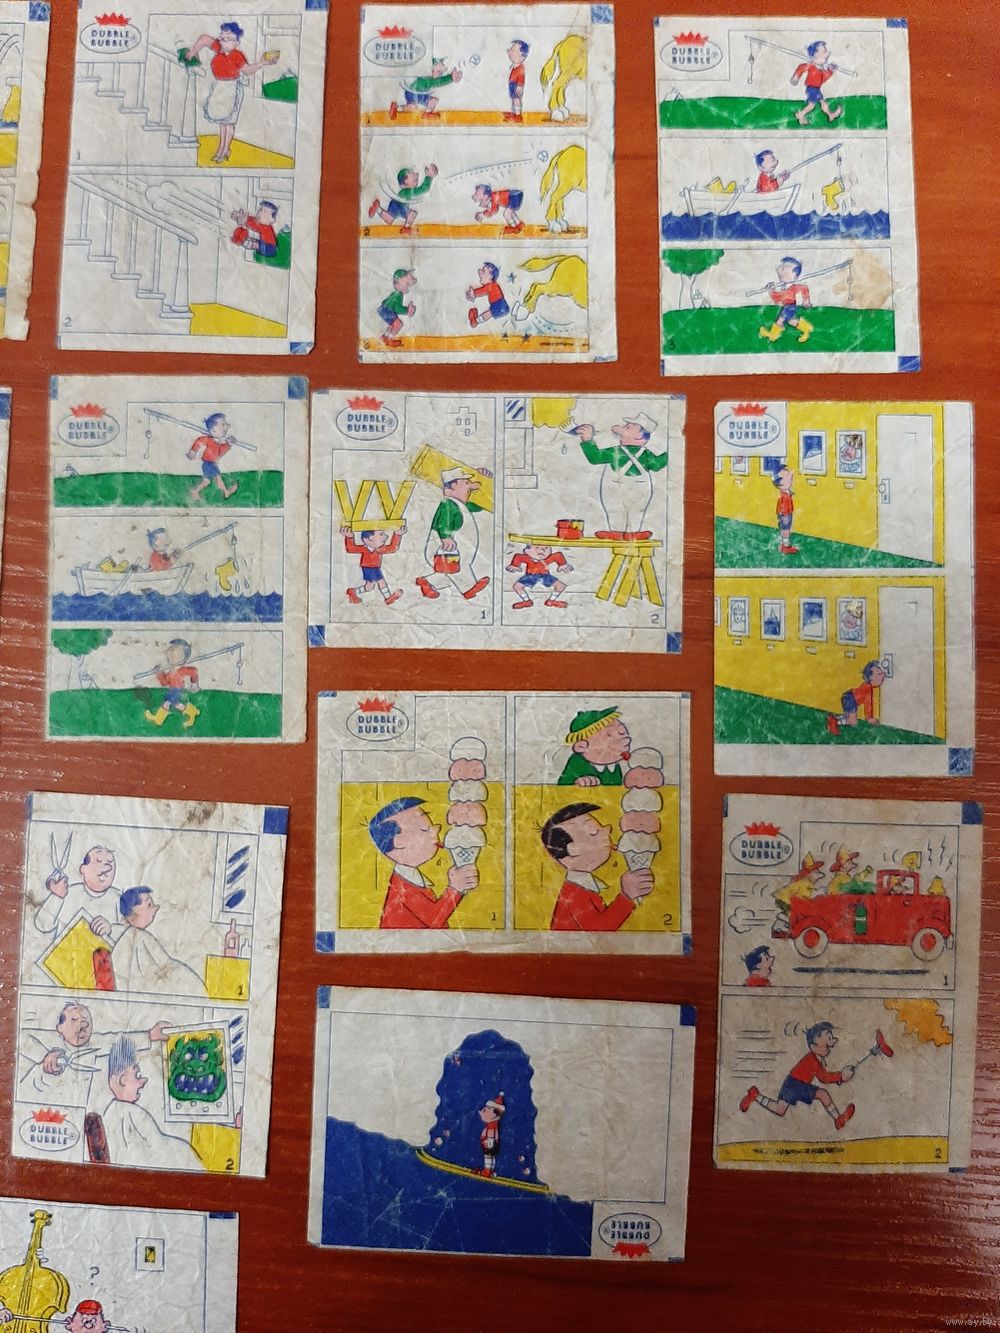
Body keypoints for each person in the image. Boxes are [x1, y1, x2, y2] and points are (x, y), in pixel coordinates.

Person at [19, 1000, 169, 1107]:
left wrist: (149, 1035)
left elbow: (119, 1040)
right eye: (74, 1020)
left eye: (86, 1020)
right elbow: (22, 1039)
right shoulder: (51, 1042)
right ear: (60, 1027)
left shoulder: (95, 1044)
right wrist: (47, 1057)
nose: (83, 1025)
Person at [541, 802, 652, 931]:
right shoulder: (575, 896)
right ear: (573, 849)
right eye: (593, 832)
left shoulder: (581, 889)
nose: (607, 829)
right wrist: (626, 896)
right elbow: (599, 931)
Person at [369, 797, 478, 928]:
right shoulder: (403, 886)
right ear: (399, 842)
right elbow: (433, 919)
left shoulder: (411, 880)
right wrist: (455, 888)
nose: (436, 829)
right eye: (425, 829)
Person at [99, 1035, 201, 1169]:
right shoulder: (132, 1112)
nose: (144, 1081)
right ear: (122, 1080)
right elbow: (159, 1145)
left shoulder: (112, 1112)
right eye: (137, 1076)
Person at [182, 22, 279, 163]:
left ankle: (225, 149)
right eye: (222, 37)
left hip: (232, 89)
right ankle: (221, 149)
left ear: (236, 42)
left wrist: (261, 63)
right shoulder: (218, 48)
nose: (223, 41)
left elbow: (247, 71)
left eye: (228, 39)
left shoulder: (237, 56)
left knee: (229, 122)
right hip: (220, 88)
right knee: (223, 122)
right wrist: (193, 52)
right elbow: (204, 39)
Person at [740, 1021, 855, 1130]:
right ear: (813, 1046)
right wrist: (841, 1076)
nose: (833, 1041)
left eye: (831, 1038)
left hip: (800, 1084)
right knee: (781, 1109)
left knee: (819, 1095)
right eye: (829, 1039)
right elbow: (823, 1078)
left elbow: (823, 1077)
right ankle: (755, 1095)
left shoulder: (816, 1058)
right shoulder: (813, 1060)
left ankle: (838, 1120)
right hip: (793, 1085)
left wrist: (840, 1078)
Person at [571, 414, 666, 539]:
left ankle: (629, 532)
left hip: (626, 486)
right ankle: (623, 531)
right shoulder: (620, 451)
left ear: (639, 436)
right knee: (621, 508)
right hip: (626, 486)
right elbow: (657, 464)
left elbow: (596, 457)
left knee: (631, 509)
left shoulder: (618, 451)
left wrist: (588, 440)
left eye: (628, 427)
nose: (623, 427)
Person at [110, 887, 206, 995]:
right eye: (149, 905)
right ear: (133, 912)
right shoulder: (137, 937)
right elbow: (164, 964)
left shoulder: (137, 936)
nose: (155, 908)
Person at [416, 468, 490, 601]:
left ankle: (427, 583)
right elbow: (444, 522)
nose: (470, 487)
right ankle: (469, 589)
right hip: (445, 548)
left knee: (451, 572)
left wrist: (484, 479)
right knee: (457, 569)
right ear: (452, 487)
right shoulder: (449, 505)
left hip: (455, 548)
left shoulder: (462, 504)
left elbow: (482, 505)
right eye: (466, 483)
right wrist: (446, 538)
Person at [34, 844, 120, 940]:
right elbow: (43, 925)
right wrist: (56, 896)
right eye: (98, 861)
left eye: (110, 862)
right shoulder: (68, 893)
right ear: (83, 869)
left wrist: (111, 929)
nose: (106, 867)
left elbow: (129, 934)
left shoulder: (118, 899)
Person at [557, 707, 630, 786]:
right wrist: (578, 782)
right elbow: (563, 785)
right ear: (581, 746)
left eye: (622, 729)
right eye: (609, 734)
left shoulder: (613, 765)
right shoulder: (578, 762)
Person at [144, 639, 200, 729]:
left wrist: (194, 684)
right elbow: (165, 682)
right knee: (177, 705)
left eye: (175, 651)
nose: (169, 652)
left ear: (182, 658)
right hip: (171, 690)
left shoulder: (182, 670)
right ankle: (192, 712)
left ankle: (158, 719)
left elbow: (194, 671)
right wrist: (159, 673)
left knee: (169, 703)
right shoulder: (171, 671)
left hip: (177, 691)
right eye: (171, 650)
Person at [342, 525, 405, 606]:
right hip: (369, 568)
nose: (386, 537)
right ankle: (388, 598)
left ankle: (353, 592)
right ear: (370, 538)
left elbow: (392, 548)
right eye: (381, 534)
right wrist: (349, 537)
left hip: (374, 568)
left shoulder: (380, 549)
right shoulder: (365, 549)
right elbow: (351, 549)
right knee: (381, 581)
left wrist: (397, 535)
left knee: (369, 587)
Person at [759, 256, 813, 345]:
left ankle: (773, 335)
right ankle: (806, 329)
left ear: (794, 274)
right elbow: (777, 299)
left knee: (780, 320)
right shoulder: (784, 287)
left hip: (789, 307)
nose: (778, 270)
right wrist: (771, 291)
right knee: (791, 321)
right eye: (781, 267)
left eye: (783, 269)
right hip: (787, 307)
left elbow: (804, 288)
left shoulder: (793, 287)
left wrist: (806, 301)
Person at [368, 165, 438, 234]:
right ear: (405, 181)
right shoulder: (408, 191)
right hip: (401, 207)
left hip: (394, 205)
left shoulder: (403, 191)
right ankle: (406, 227)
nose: (417, 175)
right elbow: (423, 189)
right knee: (413, 214)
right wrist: (429, 177)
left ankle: (378, 209)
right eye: (413, 176)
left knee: (390, 219)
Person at [791, 41, 845, 126]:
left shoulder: (820, 68)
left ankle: (830, 115)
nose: (827, 54)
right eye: (824, 52)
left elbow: (823, 79)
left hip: (816, 88)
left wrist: (830, 70)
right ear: (815, 54)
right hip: (811, 89)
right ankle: (801, 115)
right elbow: (801, 68)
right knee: (812, 105)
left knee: (822, 102)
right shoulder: (811, 65)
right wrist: (796, 77)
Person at [390, 57, 462, 120]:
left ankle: (426, 113)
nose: (439, 75)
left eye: (440, 73)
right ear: (432, 69)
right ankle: (398, 108)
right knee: (414, 107)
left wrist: (451, 77)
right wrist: (451, 78)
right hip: (412, 93)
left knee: (431, 101)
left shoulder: (429, 77)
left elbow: (439, 80)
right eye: (439, 72)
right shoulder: (428, 78)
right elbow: (440, 82)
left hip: (419, 94)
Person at [187, 412, 238, 501]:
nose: (227, 426)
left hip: (211, 464)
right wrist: (193, 452)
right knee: (218, 478)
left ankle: (195, 491)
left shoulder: (219, 443)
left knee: (207, 481)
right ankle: (226, 492)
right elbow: (199, 442)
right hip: (209, 464)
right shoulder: (208, 439)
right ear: (213, 430)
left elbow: (221, 452)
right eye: (223, 425)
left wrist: (229, 444)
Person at [826, 660, 886, 735]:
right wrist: (869, 719)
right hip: (850, 699)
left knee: (850, 716)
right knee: (852, 721)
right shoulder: (868, 690)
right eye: (879, 674)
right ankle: (835, 722)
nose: (883, 675)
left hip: (848, 696)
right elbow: (868, 706)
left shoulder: (867, 686)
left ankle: (834, 718)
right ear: (871, 678)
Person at [507, 542, 570, 609]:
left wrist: (562, 565)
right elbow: (518, 556)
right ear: (527, 551)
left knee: (561, 586)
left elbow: (558, 555)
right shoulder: (527, 558)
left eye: (546, 548)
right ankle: (527, 601)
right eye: (537, 548)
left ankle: (551, 601)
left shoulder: (547, 559)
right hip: (530, 576)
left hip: (545, 576)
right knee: (517, 586)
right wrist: (515, 565)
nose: (542, 550)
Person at [377, 268, 416, 348]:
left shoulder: (396, 293)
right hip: (386, 310)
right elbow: (397, 308)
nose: (408, 288)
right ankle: (390, 339)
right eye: (407, 284)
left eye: (408, 285)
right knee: (398, 324)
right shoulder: (398, 295)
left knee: (393, 324)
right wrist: (407, 310)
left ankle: (385, 337)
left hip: (384, 309)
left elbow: (387, 302)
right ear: (397, 284)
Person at [466, 261, 509, 328]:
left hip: (498, 305)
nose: (480, 272)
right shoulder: (494, 285)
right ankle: (476, 321)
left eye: (484, 271)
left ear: (491, 276)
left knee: (489, 313)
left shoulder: (491, 285)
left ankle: (476, 322)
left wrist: (474, 293)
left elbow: (482, 291)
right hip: (502, 305)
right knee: (489, 313)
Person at [773, 465, 798, 554]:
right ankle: (785, 546)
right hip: (785, 514)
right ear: (781, 483)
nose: (791, 481)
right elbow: (782, 507)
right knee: (786, 529)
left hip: (785, 513)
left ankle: (783, 545)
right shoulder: (784, 495)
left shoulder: (786, 493)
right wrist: (784, 515)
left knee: (785, 529)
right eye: (788, 479)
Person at [478, 1093, 505, 1176]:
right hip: (493, 1142)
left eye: (488, 1109)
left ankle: (487, 1171)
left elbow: (491, 1135)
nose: (483, 1110)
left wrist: (487, 1143)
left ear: (495, 1114)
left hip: (490, 1143)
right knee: (492, 1156)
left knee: (488, 1156)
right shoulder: (493, 1124)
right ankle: (491, 1171)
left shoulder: (491, 1125)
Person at [505, 39, 530, 121]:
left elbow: (521, 79)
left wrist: (519, 87)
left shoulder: (520, 68)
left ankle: (518, 115)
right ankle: (514, 113)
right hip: (512, 85)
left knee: (516, 100)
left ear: (522, 56)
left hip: (516, 86)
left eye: (513, 50)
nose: (510, 52)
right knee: (513, 100)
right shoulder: (514, 66)